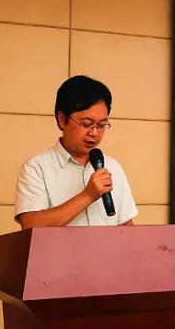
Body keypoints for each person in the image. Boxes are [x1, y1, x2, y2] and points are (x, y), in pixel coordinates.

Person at [15, 75, 137, 228]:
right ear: (62, 119)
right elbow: (31, 226)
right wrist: (88, 195)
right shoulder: (36, 168)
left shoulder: (113, 167)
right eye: (86, 124)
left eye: (101, 125)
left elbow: (126, 227)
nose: (94, 133)